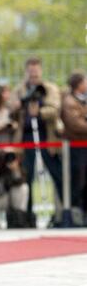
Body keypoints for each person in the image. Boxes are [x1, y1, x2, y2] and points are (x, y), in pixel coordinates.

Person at [11, 57, 64, 226]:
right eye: (30, 70)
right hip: (26, 138)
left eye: (36, 69)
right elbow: (11, 110)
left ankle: (62, 213)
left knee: (58, 175)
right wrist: (20, 105)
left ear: (40, 70)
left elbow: (55, 109)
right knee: (27, 176)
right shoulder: (19, 90)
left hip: (46, 136)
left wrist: (39, 111)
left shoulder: (50, 89)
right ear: (26, 71)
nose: (33, 73)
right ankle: (27, 217)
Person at [62, 71, 87, 225]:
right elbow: (75, 125)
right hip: (77, 147)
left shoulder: (83, 100)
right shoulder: (70, 101)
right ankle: (76, 215)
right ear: (78, 84)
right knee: (79, 180)